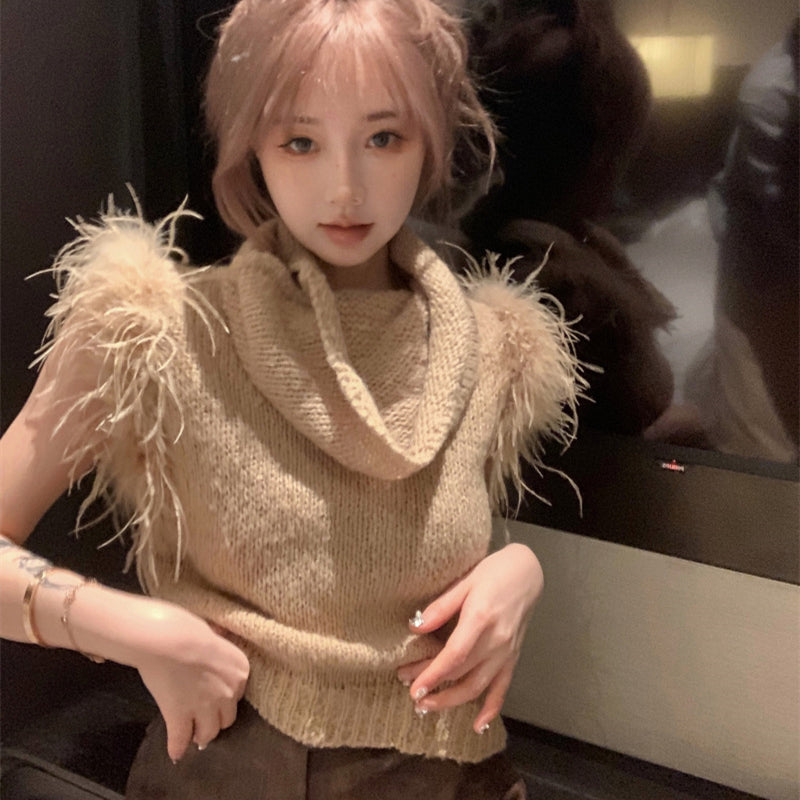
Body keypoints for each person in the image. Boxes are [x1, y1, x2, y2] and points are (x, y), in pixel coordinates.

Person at [0, 0, 583, 796]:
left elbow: (395, 555)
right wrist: (134, 627)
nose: (346, 187)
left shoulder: (494, 352)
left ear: (431, 142)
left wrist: (521, 568)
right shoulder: (159, 331)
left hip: (451, 775)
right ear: (253, 147)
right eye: (301, 141)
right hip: (236, 766)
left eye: (384, 137)